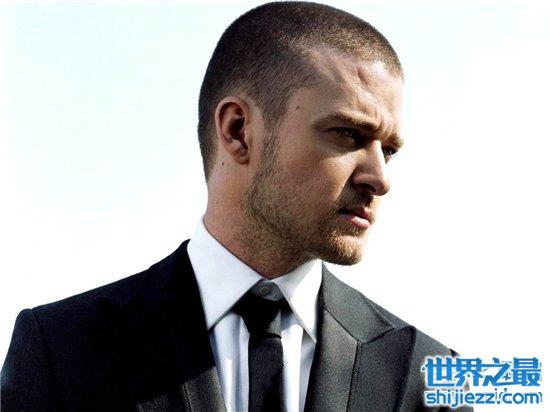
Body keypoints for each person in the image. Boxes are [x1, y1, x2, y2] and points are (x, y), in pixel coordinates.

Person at [1, 2, 471, 411]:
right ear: (238, 130)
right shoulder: (62, 350)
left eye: (388, 150)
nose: (380, 179)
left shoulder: (428, 375)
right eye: (348, 134)